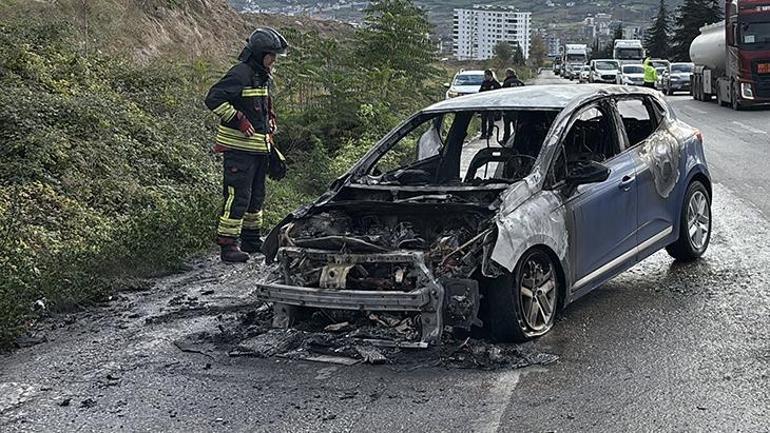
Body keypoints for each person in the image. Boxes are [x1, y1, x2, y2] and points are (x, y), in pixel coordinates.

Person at [204, 27, 288, 263]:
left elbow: (263, 106)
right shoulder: (240, 73)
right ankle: (228, 245)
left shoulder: (261, 77)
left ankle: (251, 238)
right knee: (238, 196)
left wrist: (271, 120)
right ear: (260, 54)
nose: (274, 60)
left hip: (259, 149)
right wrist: (238, 119)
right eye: (271, 55)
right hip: (239, 151)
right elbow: (213, 99)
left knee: (256, 196)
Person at [501, 69, 525, 143]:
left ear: (508, 74)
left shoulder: (506, 83)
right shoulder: (521, 83)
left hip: (508, 108)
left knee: (507, 127)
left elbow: (503, 96)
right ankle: (518, 140)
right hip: (518, 108)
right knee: (517, 127)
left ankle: (506, 140)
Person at [479, 69, 501, 139]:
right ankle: (483, 133)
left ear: (490, 75)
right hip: (485, 104)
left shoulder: (496, 84)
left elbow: (500, 93)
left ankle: (490, 133)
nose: (485, 77)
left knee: (491, 120)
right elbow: (480, 91)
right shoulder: (484, 83)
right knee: (483, 119)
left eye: (486, 76)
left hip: (492, 104)